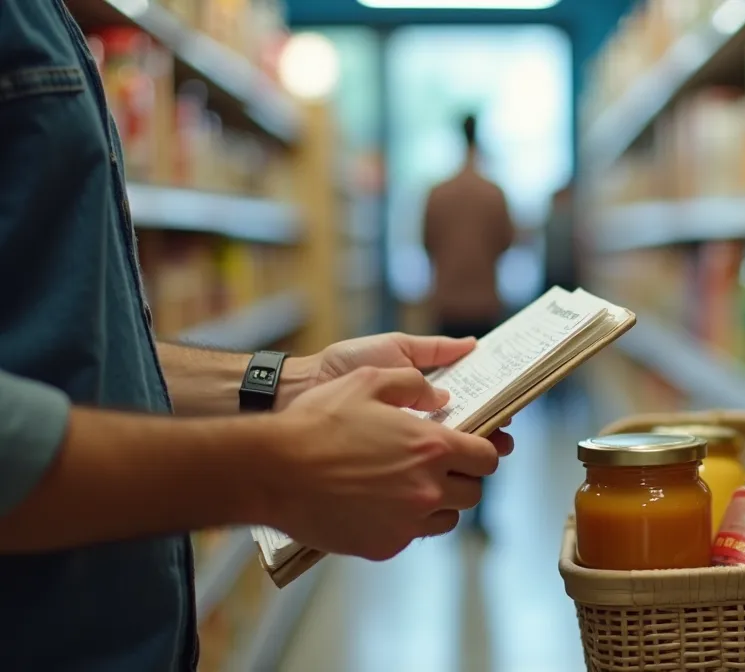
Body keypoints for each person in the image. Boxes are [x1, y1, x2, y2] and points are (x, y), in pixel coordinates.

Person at [0, 4, 511, 669]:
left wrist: (291, 382)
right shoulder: (495, 191)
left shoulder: (438, 192)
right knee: (467, 422)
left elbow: (83, 349)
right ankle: (486, 518)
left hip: (446, 298)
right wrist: (275, 469)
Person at [422, 113, 516, 537]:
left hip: (445, 307)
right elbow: (507, 242)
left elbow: (426, 243)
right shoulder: (493, 193)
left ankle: (444, 494)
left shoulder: (437, 194)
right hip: (484, 306)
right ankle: (480, 507)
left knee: (445, 402)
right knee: (488, 409)